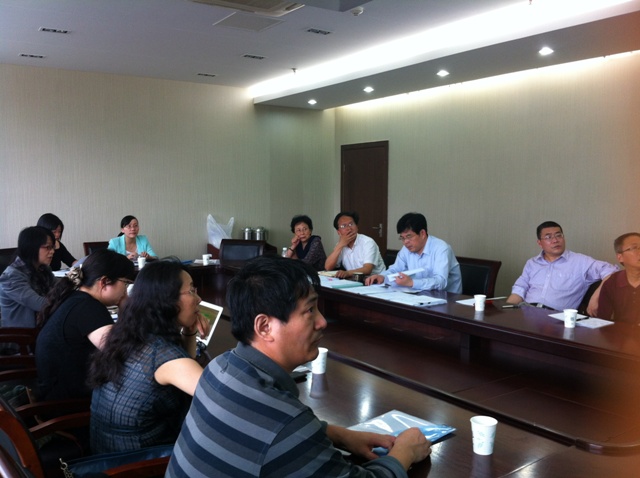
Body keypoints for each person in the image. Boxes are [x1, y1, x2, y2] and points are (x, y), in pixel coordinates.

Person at [166, 256, 430, 478]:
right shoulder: (287, 426)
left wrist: (341, 436)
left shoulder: (219, 367)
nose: (322, 322)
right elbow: (281, 431)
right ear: (264, 326)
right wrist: (403, 453)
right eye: (310, 310)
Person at [88, 260, 208, 454]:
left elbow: (184, 367)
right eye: (191, 291)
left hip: (104, 453)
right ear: (165, 300)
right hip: (141, 462)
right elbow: (219, 401)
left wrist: (189, 331)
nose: (199, 299)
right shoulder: (162, 356)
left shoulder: (128, 334)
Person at [35, 249, 135, 401]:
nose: (126, 291)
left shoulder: (76, 298)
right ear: (104, 282)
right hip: (66, 403)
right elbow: (124, 354)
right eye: (126, 283)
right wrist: (127, 309)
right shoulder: (88, 307)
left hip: (57, 391)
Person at [506, 221, 617, 312]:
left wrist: (596, 297)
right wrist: (507, 310)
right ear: (540, 243)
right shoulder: (532, 263)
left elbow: (612, 271)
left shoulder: (581, 262)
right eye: (548, 237)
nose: (555, 240)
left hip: (556, 319)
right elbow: (520, 289)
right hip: (526, 312)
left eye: (558, 235)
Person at [366, 213, 462, 293]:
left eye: (409, 236)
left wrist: (412, 282)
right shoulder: (406, 249)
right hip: (421, 295)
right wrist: (382, 276)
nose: (405, 242)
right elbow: (396, 269)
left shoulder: (441, 249)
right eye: (402, 238)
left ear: (422, 233)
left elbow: (441, 282)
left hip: (449, 299)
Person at [0, 226, 55, 328]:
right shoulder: (11, 276)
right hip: (21, 335)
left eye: (52, 247)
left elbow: (58, 290)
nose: (52, 251)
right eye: (48, 247)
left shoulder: (43, 269)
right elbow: (40, 304)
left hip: (43, 326)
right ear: (32, 247)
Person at [324, 211, 386, 279]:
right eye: (343, 226)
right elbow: (328, 267)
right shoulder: (340, 244)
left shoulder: (368, 242)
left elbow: (367, 269)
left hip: (376, 281)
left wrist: (348, 273)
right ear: (338, 232)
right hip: (355, 280)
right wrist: (340, 245)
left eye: (351, 224)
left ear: (357, 227)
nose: (349, 229)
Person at [597, 232, 640, 323]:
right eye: (634, 248)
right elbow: (603, 321)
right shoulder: (612, 283)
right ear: (620, 257)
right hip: (619, 331)